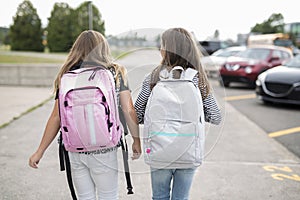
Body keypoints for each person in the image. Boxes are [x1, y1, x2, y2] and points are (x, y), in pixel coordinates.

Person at [29, 30, 141, 200]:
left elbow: (56, 117)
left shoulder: (66, 76)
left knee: (85, 197)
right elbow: (128, 109)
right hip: (105, 148)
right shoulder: (116, 72)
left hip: (76, 149)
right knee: (108, 196)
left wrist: (40, 151)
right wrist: (136, 140)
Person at [134, 27, 222, 200]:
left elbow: (137, 114)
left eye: (162, 45)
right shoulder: (198, 79)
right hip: (188, 150)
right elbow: (216, 116)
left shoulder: (153, 77)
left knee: (159, 196)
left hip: (160, 149)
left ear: (167, 49)